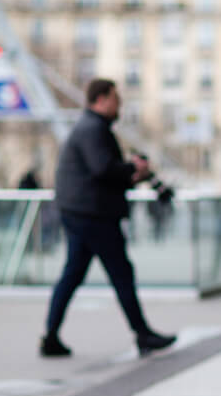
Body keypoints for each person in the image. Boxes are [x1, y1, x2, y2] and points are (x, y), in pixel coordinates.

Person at [40, 78, 176, 358]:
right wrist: (133, 167)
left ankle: (51, 336)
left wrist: (131, 174)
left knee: (73, 274)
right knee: (121, 273)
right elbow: (103, 169)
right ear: (101, 99)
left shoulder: (88, 127)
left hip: (81, 212)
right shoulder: (93, 129)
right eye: (116, 99)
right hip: (93, 215)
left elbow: (103, 175)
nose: (120, 106)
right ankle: (142, 334)